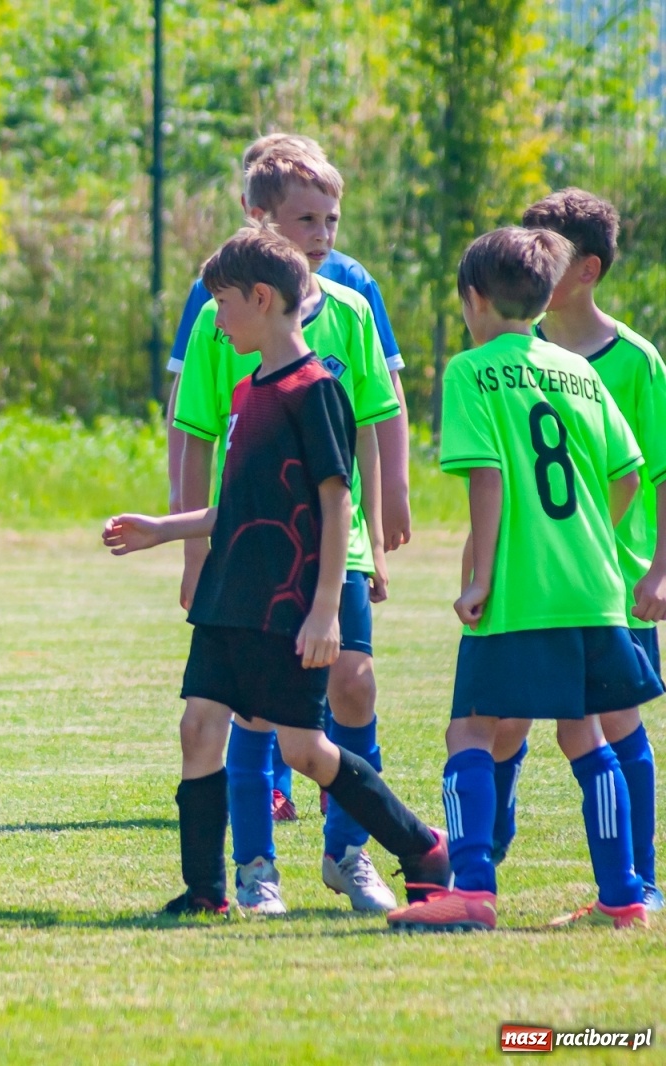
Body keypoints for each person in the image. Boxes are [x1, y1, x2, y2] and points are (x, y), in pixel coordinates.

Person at [104, 223, 448, 917]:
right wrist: (163, 530)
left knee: (304, 750)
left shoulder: (314, 388)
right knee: (200, 727)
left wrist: (325, 608)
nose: (215, 318)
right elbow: (241, 504)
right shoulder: (248, 388)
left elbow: (335, 500)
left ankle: (420, 847)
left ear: (261, 298)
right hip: (234, 591)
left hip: (288, 597)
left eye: (222, 303)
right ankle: (206, 892)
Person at [387, 227, 660, 932]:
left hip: (521, 590)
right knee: (585, 735)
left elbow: (490, 474)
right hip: (594, 587)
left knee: (469, 730)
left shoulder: (471, 370)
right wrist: (593, 536)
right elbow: (627, 475)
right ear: (540, 302)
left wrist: (479, 572)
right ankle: (623, 895)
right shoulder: (580, 370)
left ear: (474, 300)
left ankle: (473, 887)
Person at [170, 148, 404, 913]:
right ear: (262, 224)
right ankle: (253, 869)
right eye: (307, 219)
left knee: (354, 686)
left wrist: (390, 501)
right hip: (253, 556)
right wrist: (188, 549)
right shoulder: (221, 318)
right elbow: (199, 432)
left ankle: (350, 855)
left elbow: (373, 418)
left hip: (338, 548)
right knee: (248, 712)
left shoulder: (351, 309)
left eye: (330, 217)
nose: (323, 232)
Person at [482, 190, 665, 912]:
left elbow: (652, 471)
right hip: (529, 581)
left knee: (613, 726)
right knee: (504, 718)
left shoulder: (635, 361)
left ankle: (638, 886)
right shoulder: (517, 358)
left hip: (610, 584)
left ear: (586, 269)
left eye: (545, 248)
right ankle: (482, 861)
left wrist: (658, 569)